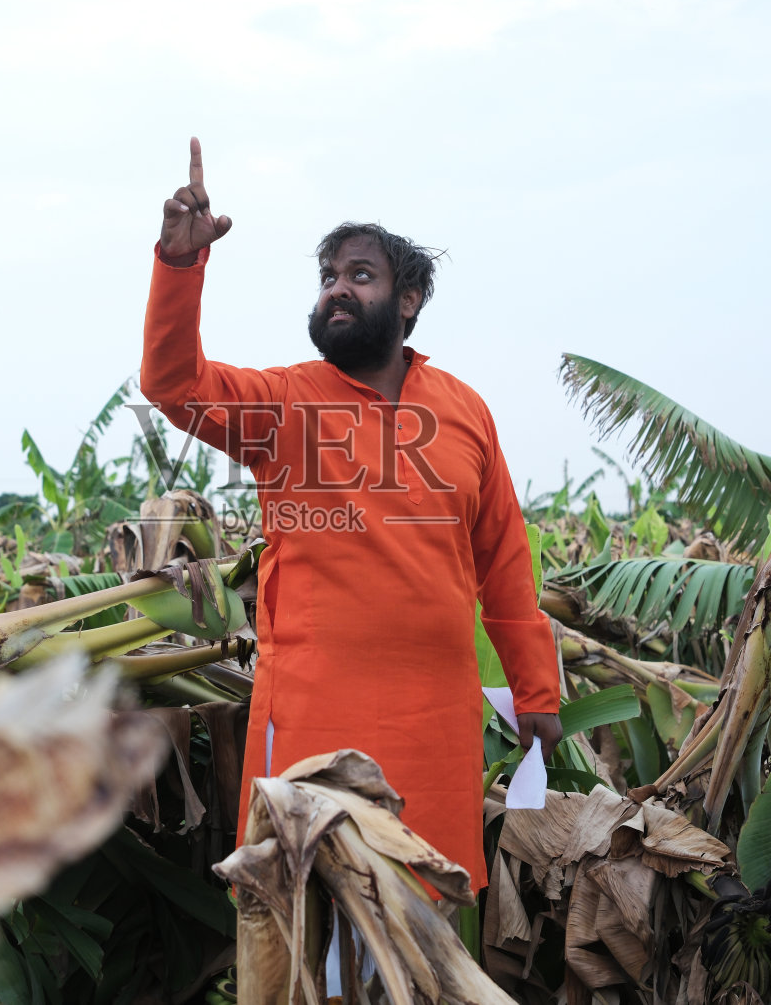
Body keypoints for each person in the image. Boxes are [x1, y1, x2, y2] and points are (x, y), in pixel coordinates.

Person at [140, 138, 562, 891]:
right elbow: (173, 383)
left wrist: (534, 689)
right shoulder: (285, 401)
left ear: (409, 300)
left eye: (359, 275)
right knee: (310, 919)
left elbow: (504, 560)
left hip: (435, 726)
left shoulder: (464, 412)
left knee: (424, 920)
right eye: (328, 277)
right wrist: (180, 266)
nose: (336, 289)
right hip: (311, 721)